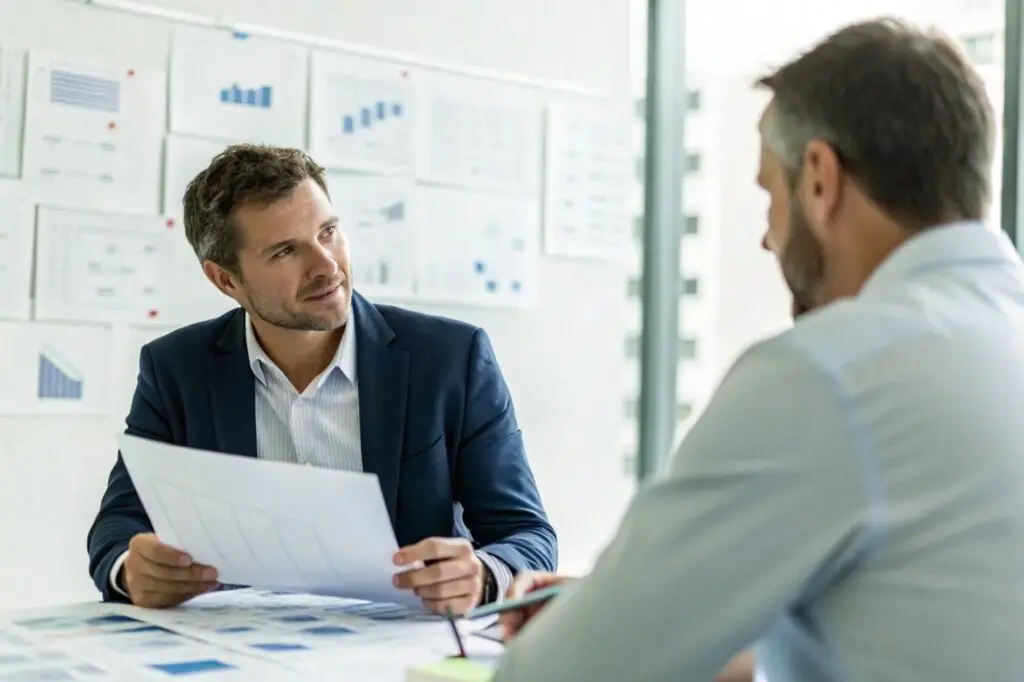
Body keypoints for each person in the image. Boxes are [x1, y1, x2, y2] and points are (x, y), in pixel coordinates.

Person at [492, 18, 1024, 682]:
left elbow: (559, 675)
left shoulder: (829, 374)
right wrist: (680, 625)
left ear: (822, 179)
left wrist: (603, 628)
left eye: (770, 193)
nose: (769, 241)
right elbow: (918, 627)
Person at [86, 144, 557, 615]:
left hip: (401, 647)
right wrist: (130, 568)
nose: (327, 265)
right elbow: (120, 522)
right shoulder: (177, 369)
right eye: (287, 250)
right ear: (226, 280)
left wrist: (483, 576)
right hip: (242, 651)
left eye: (328, 232)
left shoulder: (452, 359)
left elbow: (526, 535)